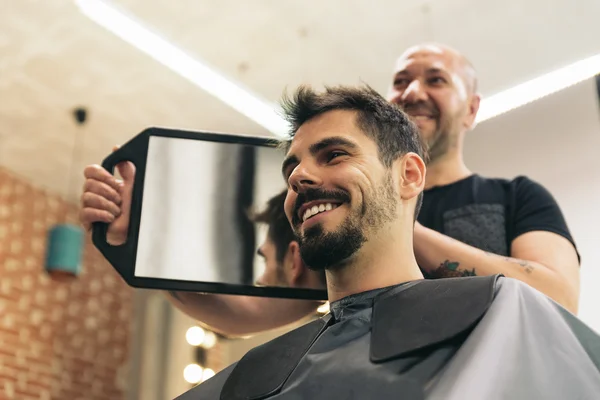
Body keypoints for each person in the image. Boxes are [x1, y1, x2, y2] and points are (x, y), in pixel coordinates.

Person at [79, 43, 579, 336]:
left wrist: (391, 218)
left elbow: (557, 298)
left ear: (471, 109)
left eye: (436, 80)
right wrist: (140, 241)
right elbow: (244, 315)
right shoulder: (328, 215)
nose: (412, 92)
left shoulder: (515, 195)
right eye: (401, 80)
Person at [175, 84, 600, 400]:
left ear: (410, 176)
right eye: (292, 169)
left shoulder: (505, 291)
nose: (298, 178)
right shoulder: (263, 370)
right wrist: (129, 243)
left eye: (334, 155)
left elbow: (553, 301)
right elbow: (245, 312)